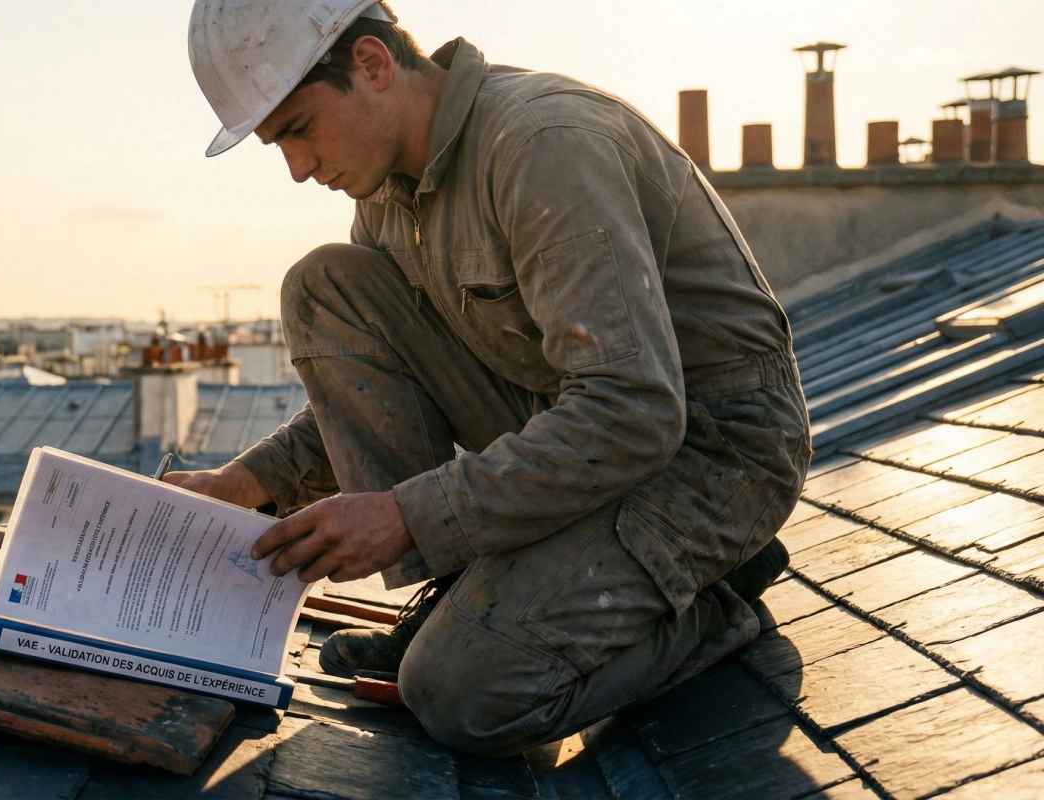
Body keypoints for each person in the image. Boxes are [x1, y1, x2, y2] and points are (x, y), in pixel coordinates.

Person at [165, 0, 810, 756]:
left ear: (373, 64)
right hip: (587, 438)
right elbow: (390, 381)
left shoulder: (543, 142)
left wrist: (407, 516)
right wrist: (246, 484)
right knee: (323, 285)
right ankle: (466, 596)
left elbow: (632, 410)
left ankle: (712, 603)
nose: (299, 169)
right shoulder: (388, 195)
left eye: (299, 128)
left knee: (462, 695)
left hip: (711, 459)